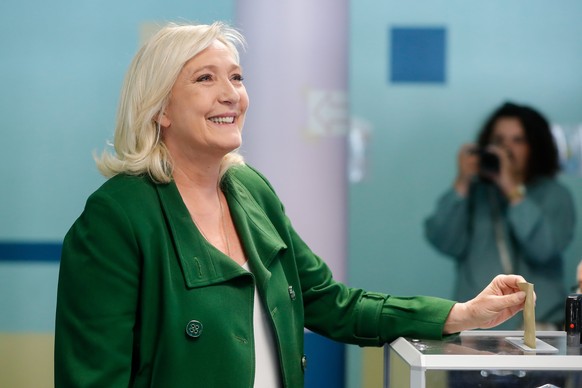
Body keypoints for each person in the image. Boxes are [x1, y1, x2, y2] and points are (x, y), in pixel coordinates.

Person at [55, 22, 530, 387]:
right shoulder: (116, 218)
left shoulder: (250, 189)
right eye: (205, 78)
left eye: (237, 78)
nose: (231, 95)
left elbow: (330, 302)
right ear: (159, 109)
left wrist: (460, 314)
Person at [425, 101, 575, 330]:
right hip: (476, 330)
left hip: (539, 329)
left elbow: (545, 250)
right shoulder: (477, 193)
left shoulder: (555, 194)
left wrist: (511, 188)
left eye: (518, 140)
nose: (507, 149)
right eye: (499, 141)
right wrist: (462, 182)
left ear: (536, 145)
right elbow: (443, 240)